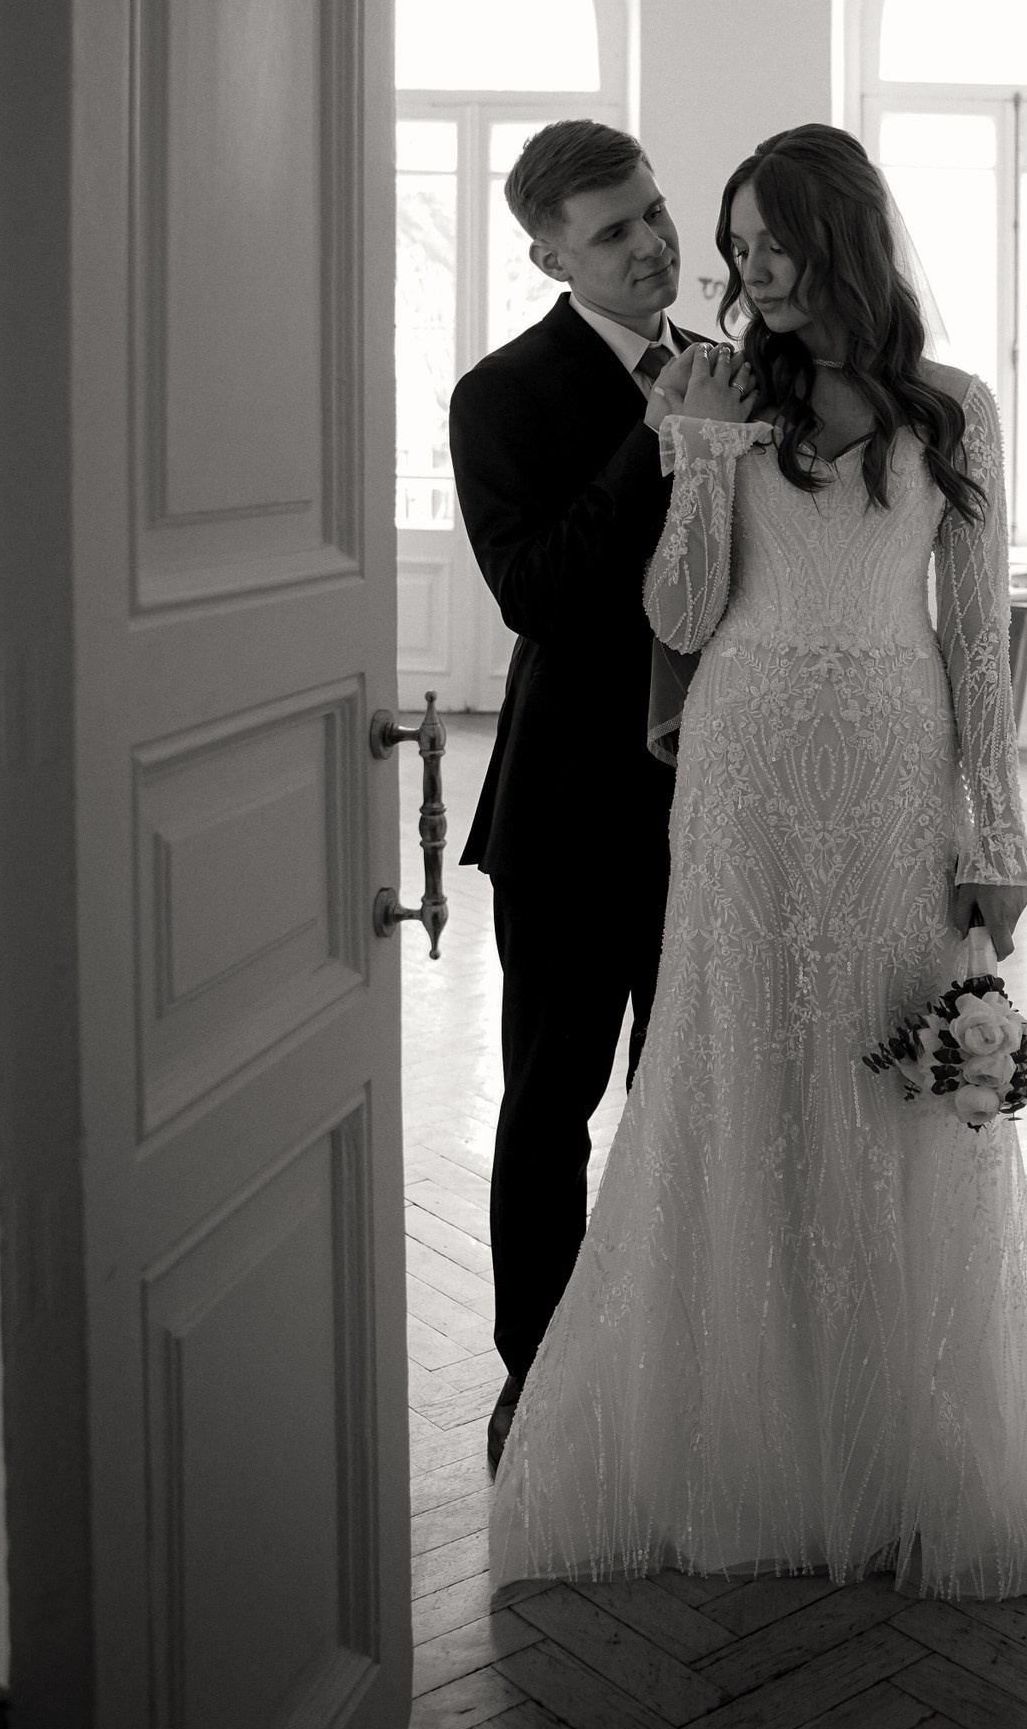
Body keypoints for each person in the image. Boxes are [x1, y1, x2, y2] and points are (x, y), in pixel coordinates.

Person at [485, 123, 1027, 1596]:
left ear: (840, 235)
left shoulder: (956, 408)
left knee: (881, 1074)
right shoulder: (729, 391)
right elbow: (677, 613)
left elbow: (977, 641)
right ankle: (735, 1418)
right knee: (733, 1071)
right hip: (739, 776)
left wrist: (1000, 828)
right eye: (736, 247)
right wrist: (697, 452)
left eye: (767, 241)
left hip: (897, 776)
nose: (744, 269)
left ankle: (892, 1426)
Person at [448, 119, 724, 1472]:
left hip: (720, 804)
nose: (653, 244)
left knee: (691, 1100)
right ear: (550, 256)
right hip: (566, 810)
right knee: (550, 1107)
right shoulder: (501, 396)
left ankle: (678, 1359)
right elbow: (539, 593)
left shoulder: (728, 371)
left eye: (655, 212)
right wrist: (657, 441)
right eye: (614, 231)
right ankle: (538, 1377)